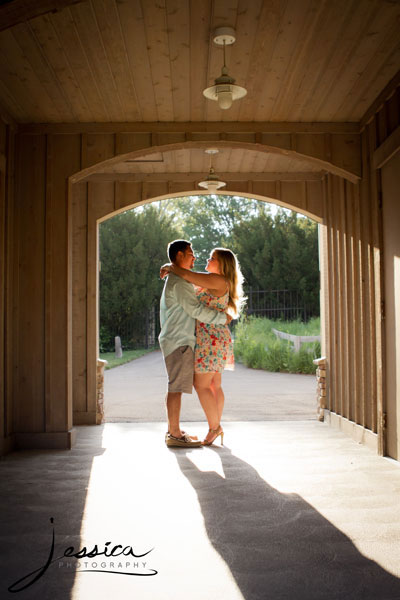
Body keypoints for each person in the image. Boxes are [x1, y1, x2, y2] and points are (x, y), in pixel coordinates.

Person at [161, 247, 245, 446]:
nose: (207, 259)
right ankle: (215, 426)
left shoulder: (217, 280)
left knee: (202, 385)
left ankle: (215, 428)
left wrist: (170, 266)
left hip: (210, 339)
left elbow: (186, 274)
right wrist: (171, 267)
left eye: (212, 258)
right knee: (214, 385)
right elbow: (186, 276)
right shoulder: (214, 280)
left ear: (223, 264)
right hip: (214, 338)